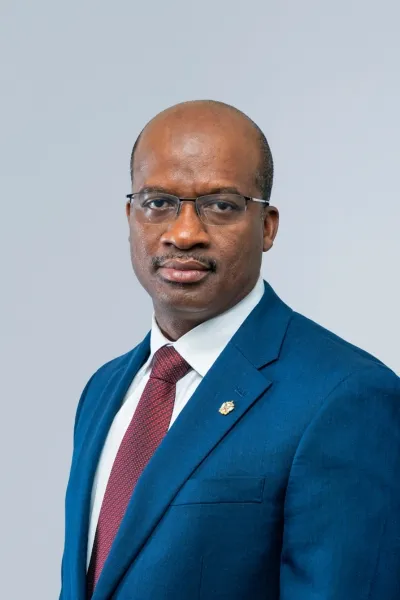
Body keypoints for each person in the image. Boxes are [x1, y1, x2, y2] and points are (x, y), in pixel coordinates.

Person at [59, 100, 400, 600]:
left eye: (220, 205)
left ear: (267, 226)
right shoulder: (104, 389)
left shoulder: (346, 397)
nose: (183, 234)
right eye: (158, 203)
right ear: (131, 216)